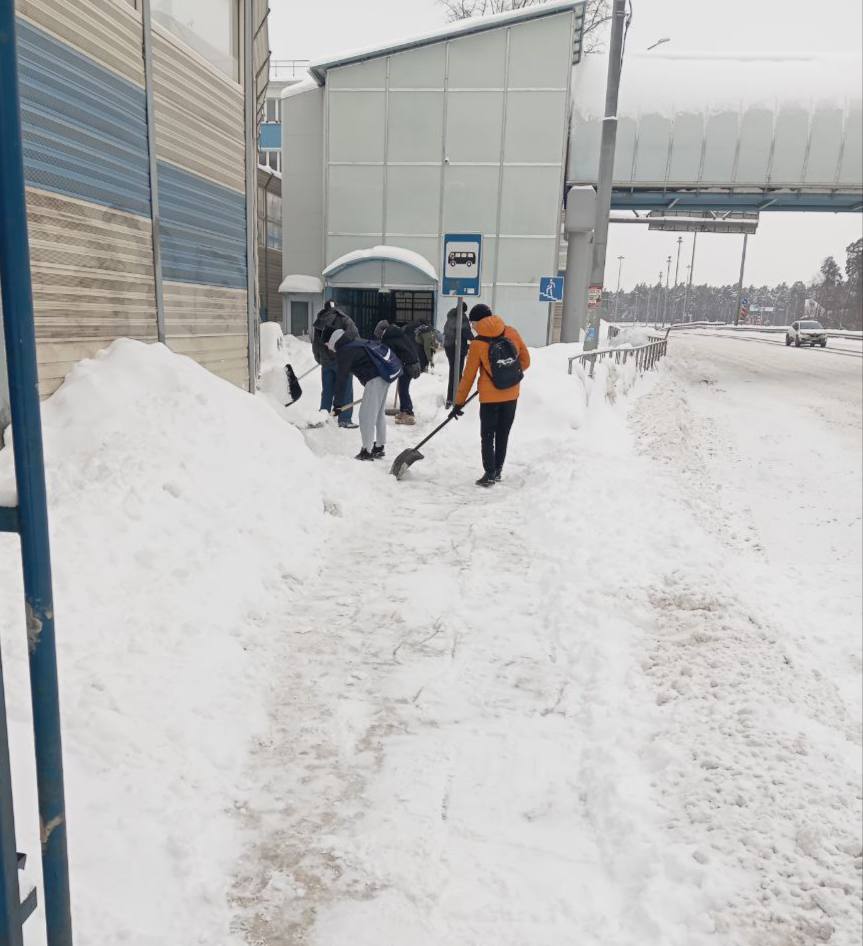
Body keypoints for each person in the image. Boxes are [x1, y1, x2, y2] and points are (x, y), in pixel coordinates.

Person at [451, 303, 531, 487]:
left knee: (488, 435)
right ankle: (498, 471)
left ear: (478, 321)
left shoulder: (478, 344)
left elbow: (468, 377)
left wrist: (458, 402)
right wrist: (507, 375)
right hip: (511, 394)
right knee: (503, 433)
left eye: (472, 323)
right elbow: (526, 361)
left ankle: (489, 473)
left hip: (489, 398)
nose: (472, 327)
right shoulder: (511, 332)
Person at [326, 327, 396, 461]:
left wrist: (338, 404)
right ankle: (379, 446)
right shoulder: (355, 342)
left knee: (366, 416)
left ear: (334, 343)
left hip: (375, 379)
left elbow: (342, 378)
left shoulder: (345, 351)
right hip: (383, 376)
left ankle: (366, 450)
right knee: (378, 413)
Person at [312, 301, 358, 429]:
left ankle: (323, 417)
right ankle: (345, 419)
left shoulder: (319, 320)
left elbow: (316, 343)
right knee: (346, 390)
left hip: (326, 362)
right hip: (342, 361)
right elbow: (354, 336)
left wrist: (319, 358)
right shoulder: (345, 320)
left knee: (327, 390)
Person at [374, 320, 421, 425]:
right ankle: (403, 409)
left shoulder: (389, 338)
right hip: (411, 362)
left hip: (408, 365)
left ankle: (408, 412)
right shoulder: (397, 333)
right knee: (402, 387)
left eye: (379, 336)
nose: (380, 338)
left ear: (382, 332)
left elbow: (388, 356)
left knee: (403, 389)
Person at [443, 301, 473, 408]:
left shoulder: (450, 316)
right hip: (457, 349)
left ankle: (450, 399)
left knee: (453, 372)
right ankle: (455, 399)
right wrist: (476, 340)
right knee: (457, 373)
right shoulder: (462, 318)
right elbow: (467, 333)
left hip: (449, 347)